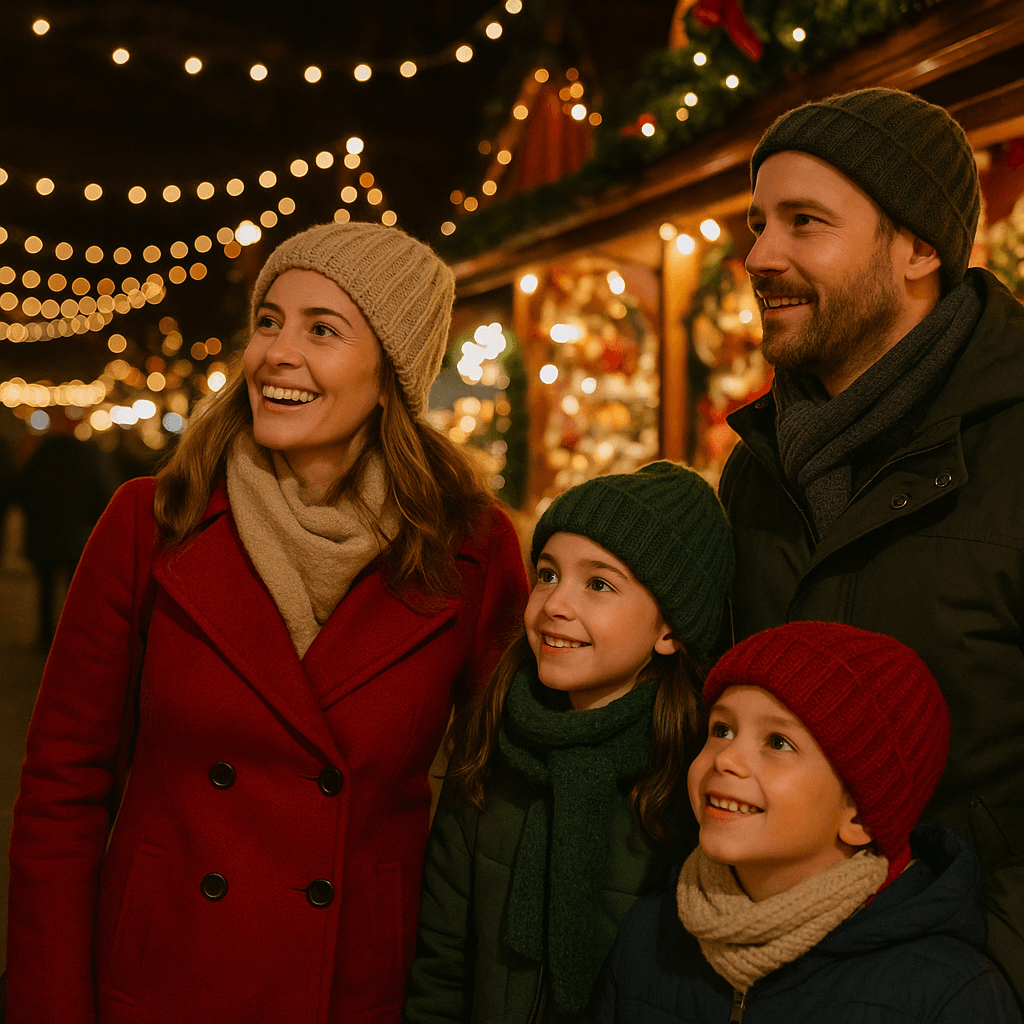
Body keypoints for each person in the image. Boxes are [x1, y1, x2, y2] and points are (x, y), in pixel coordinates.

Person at [6, 221, 530, 1024]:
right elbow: (61, 790)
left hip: (354, 990)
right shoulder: (153, 520)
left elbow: (498, 791)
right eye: (269, 321)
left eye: (323, 329)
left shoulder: (469, 547)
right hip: (164, 974)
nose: (277, 352)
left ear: (393, 373)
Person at [717, 86, 1024, 999]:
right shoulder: (759, 466)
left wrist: (993, 972)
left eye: (804, 222)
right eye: (758, 222)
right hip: (774, 964)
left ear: (918, 248)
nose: (759, 256)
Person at [405, 461, 735, 1023]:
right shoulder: (494, 742)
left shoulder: (688, 780)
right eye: (548, 574)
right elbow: (441, 961)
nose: (556, 604)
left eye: (599, 584)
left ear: (670, 629)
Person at [592, 621, 1022, 1022]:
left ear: (861, 816)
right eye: (722, 729)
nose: (726, 759)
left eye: (778, 742)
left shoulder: (948, 995)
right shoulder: (649, 935)